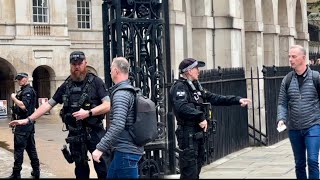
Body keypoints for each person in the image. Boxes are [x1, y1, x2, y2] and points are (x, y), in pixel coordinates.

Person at [9, 51, 111, 179]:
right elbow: (48, 104)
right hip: (75, 134)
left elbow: (107, 105)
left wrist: (89, 113)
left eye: (79, 63)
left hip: (94, 132)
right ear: (70, 65)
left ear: (85, 63)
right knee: (80, 170)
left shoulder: (96, 82)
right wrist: (28, 119)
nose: (77, 67)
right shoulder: (66, 85)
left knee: (103, 169)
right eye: (74, 64)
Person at [169, 58, 251, 179]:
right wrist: (200, 116)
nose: (199, 71)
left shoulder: (196, 87)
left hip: (197, 135)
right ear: (189, 71)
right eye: (197, 69)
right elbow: (181, 107)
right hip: (188, 134)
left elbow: (214, 98)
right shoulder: (180, 87)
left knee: (196, 171)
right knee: (189, 173)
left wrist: (237, 100)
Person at [92, 57, 144, 179]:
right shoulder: (129, 90)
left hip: (126, 152)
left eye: (111, 69)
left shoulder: (121, 94)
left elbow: (118, 124)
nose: (110, 72)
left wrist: (100, 148)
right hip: (123, 151)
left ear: (115, 71)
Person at [277, 45, 320, 179]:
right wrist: (281, 119)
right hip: (294, 128)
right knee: (299, 164)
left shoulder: (316, 77)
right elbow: (282, 102)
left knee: (312, 161)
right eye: (289, 56)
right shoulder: (288, 79)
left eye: (294, 56)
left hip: (313, 126)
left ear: (303, 58)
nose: (290, 59)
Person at [8, 72, 40, 179]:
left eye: (21, 79)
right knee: (31, 148)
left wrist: (13, 98)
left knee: (19, 149)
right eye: (18, 79)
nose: (19, 81)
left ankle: (16, 174)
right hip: (27, 124)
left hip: (23, 124)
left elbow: (23, 106)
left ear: (26, 79)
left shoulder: (28, 91)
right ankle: (36, 171)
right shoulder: (24, 90)